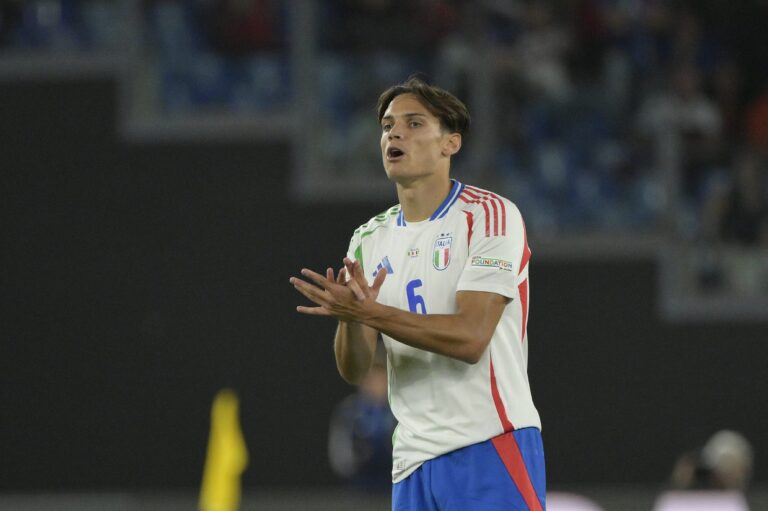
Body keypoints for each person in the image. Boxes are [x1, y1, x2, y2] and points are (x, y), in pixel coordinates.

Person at [290, 76, 545, 510]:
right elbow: (354, 368)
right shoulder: (368, 239)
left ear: (451, 143)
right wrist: (349, 320)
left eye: (414, 123)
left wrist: (369, 313)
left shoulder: (490, 216)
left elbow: (471, 338)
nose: (395, 134)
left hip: (488, 444)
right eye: (388, 125)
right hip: (411, 462)